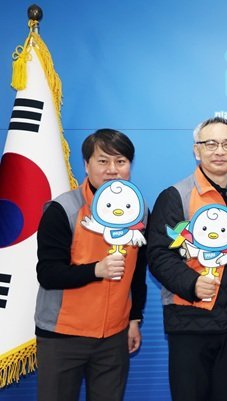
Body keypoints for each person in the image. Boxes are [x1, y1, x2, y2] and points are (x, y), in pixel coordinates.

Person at [147, 117, 227, 401]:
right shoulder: (176, 196)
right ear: (196, 150)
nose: (219, 151)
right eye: (210, 144)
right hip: (191, 321)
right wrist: (192, 283)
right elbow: (159, 254)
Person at [35, 129, 147, 401]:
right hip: (63, 335)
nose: (112, 169)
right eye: (103, 161)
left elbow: (138, 273)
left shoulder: (140, 211)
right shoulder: (63, 209)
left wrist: (134, 319)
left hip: (114, 337)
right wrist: (97, 270)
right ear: (86, 165)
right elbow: (48, 274)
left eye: (121, 161)